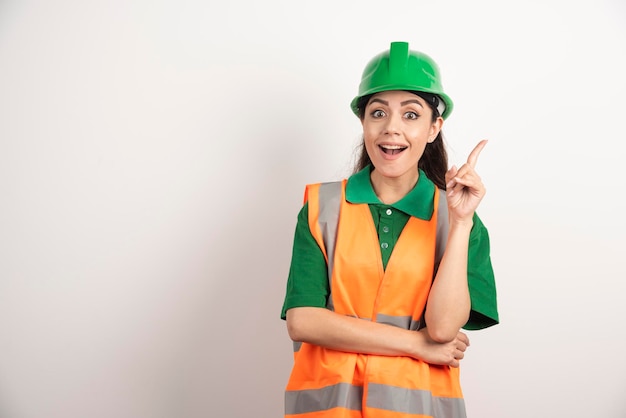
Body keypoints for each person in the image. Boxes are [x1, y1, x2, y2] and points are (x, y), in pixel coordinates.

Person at [280, 41, 499, 418]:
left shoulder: (459, 219)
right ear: (363, 123)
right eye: (378, 112)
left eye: (411, 115)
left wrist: (461, 222)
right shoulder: (321, 208)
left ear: (434, 127)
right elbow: (303, 320)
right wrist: (416, 345)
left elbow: (444, 329)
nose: (392, 128)